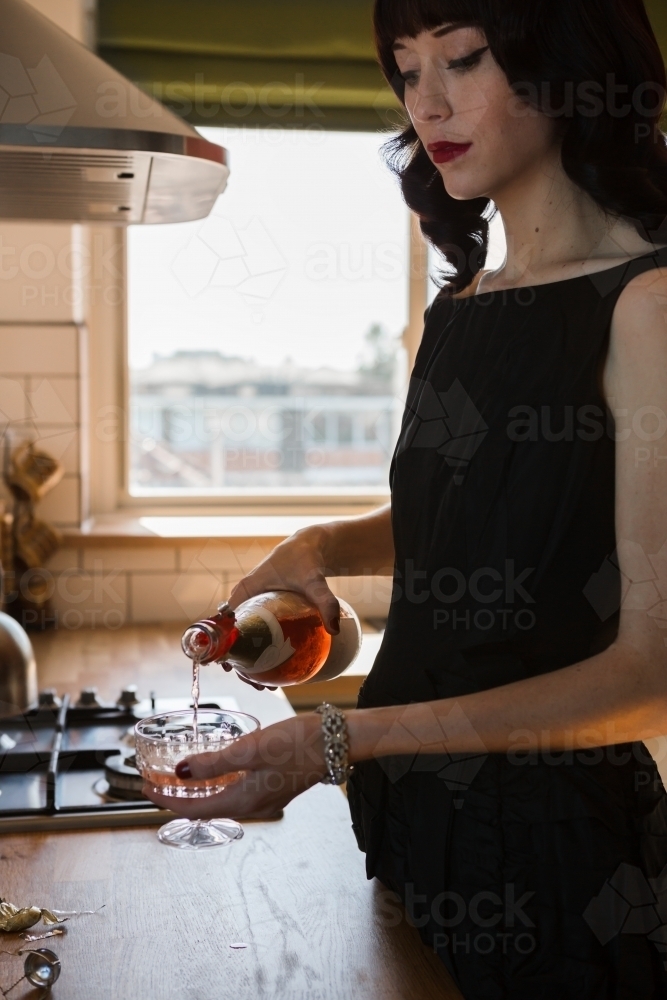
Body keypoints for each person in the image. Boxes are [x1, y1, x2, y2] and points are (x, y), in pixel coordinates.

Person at [145, 1, 667, 994]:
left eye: (462, 61)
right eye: (404, 70)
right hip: (410, 824)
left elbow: (651, 673)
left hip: (555, 861)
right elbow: (488, 513)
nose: (427, 104)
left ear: (566, 68)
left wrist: (338, 735)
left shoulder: (647, 310)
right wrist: (321, 545)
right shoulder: (464, 302)